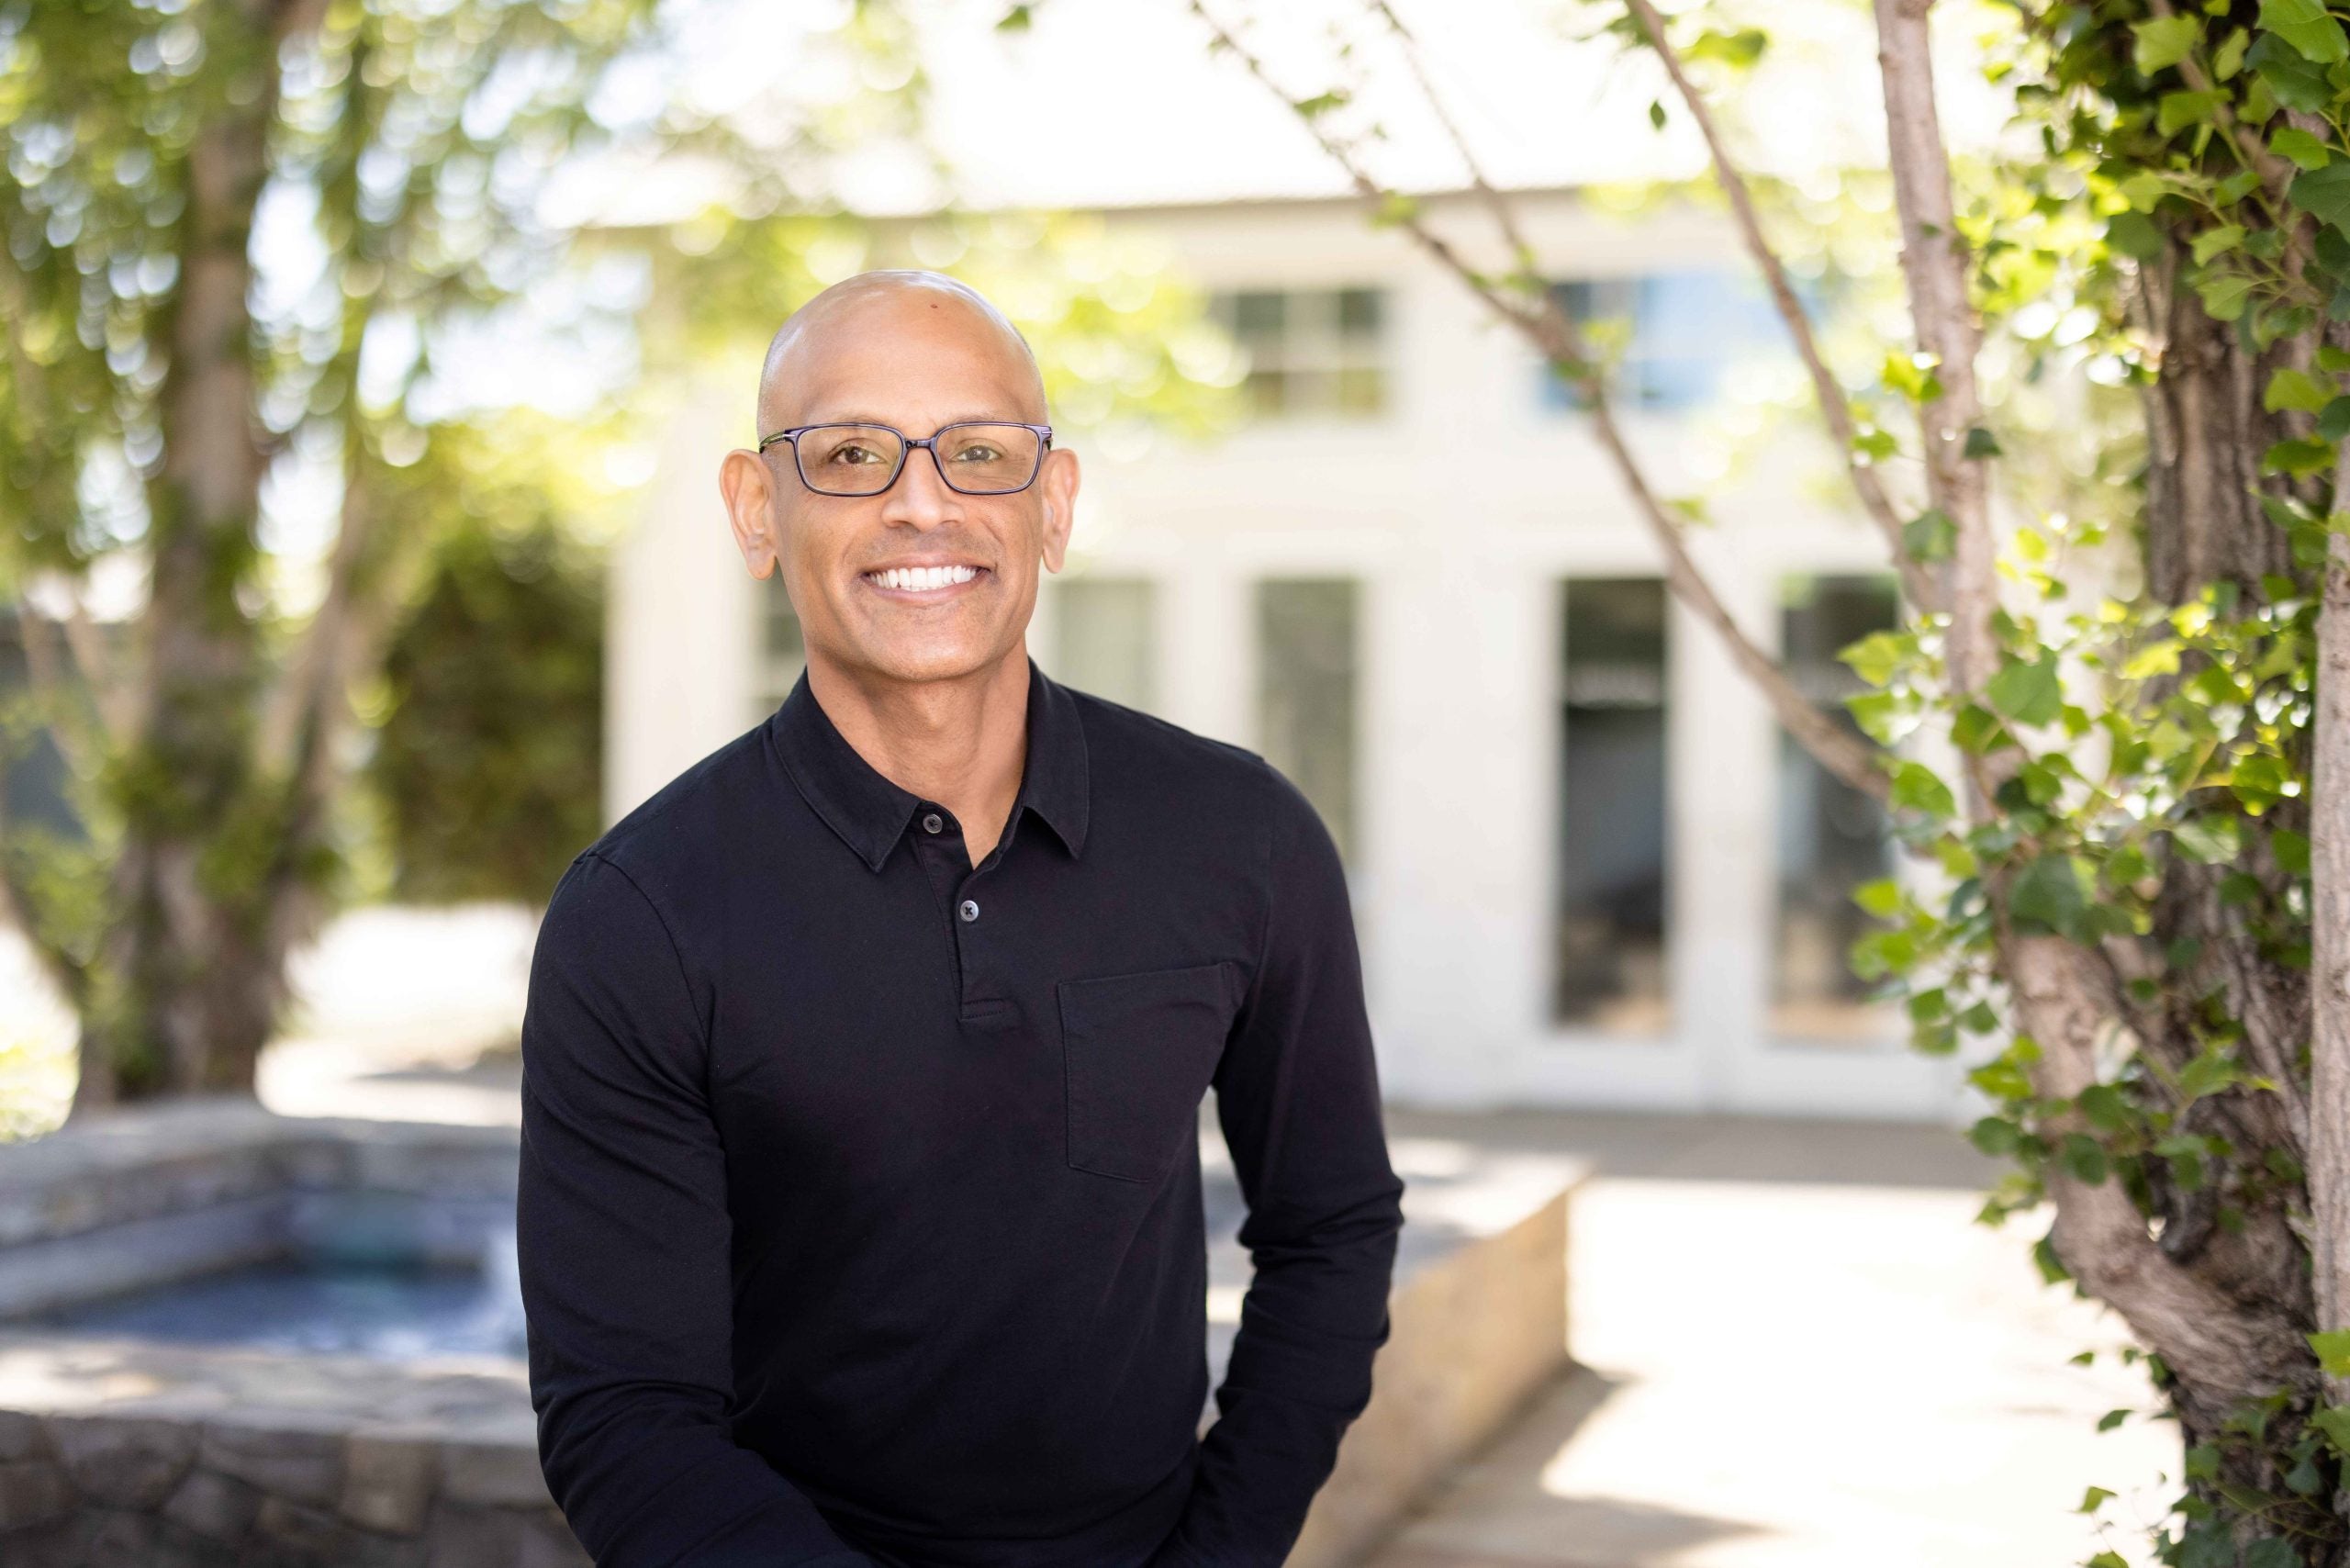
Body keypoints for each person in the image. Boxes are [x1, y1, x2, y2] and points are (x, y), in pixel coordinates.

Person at [515, 268, 1405, 1568]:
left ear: (1054, 505)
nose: (922, 502)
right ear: (758, 509)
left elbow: (1332, 1230)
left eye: (979, 452)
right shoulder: (639, 916)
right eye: (851, 454)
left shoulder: (1242, 838)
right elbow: (622, 1415)